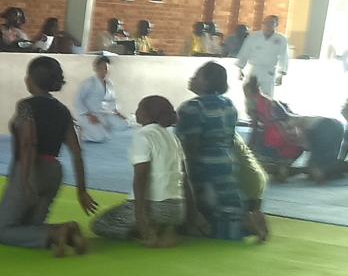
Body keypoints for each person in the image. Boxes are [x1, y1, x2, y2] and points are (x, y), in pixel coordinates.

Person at [0, 57, 97, 256]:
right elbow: (77, 152)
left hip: (31, 170)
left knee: (1, 231)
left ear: (30, 80)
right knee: (29, 227)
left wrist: (25, 181)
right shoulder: (63, 111)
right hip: (54, 173)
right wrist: (81, 190)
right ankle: (66, 233)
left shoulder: (26, 107)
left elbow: (28, 144)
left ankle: (55, 233)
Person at [90, 96, 189, 247]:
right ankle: (166, 229)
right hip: (177, 210)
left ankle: (148, 232)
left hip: (155, 206)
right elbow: (185, 177)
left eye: (139, 108)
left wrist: (140, 216)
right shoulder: (173, 137)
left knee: (100, 224)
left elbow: (141, 177)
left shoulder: (143, 136)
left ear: (147, 114)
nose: (136, 112)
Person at [177, 62, 245, 240]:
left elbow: (190, 147)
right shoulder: (229, 105)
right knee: (226, 207)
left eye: (197, 76)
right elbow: (230, 140)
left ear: (207, 81)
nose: (191, 79)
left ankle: (203, 224)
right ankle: (242, 223)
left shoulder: (192, 107)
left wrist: (187, 176)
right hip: (227, 163)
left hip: (204, 169)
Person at [243, 76, 344, 183]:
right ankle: (327, 169)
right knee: (325, 164)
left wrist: (248, 148)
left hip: (313, 129)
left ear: (248, 91)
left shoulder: (254, 103)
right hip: (335, 125)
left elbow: (256, 128)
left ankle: (296, 169)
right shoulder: (272, 102)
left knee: (315, 169)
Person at [73, 54, 130, 144]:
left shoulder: (109, 84)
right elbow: (78, 100)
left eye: (106, 68)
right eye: (101, 68)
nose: (104, 71)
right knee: (99, 137)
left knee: (123, 124)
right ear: (96, 68)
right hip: (87, 115)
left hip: (102, 114)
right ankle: (80, 130)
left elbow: (111, 101)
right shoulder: (89, 82)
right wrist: (89, 115)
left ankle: (101, 127)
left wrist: (117, 112)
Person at [236, 15, 290, 98]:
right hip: (253, 70)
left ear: (276, 24)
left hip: (269, 72)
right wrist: (240, 69)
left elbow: (284, 56)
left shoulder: (281, 39)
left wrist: (281, 73)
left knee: (267, 97)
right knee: (250, 97)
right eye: (265, 23)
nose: (268, 25)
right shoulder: (253, 36)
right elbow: (245, 52)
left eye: (271, 23)